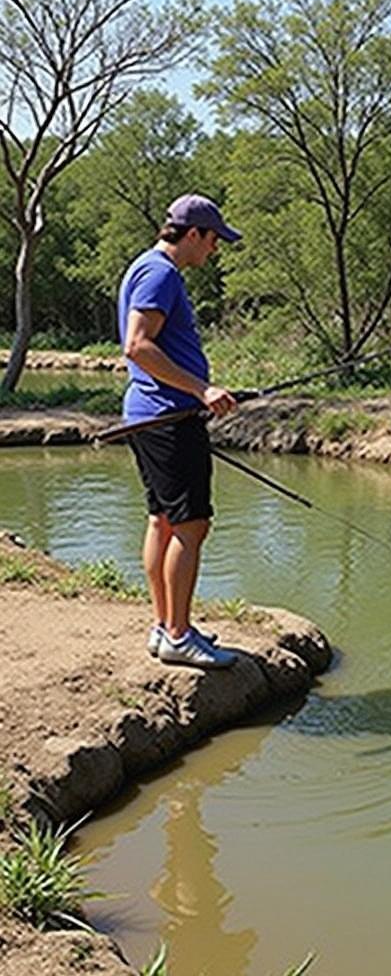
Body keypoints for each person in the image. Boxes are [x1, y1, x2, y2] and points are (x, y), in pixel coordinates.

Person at [118, 194, 241, 669]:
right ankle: (177, 634)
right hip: (167, 417)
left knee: (163, 522)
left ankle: (165, 625)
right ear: (194, 234)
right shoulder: (161, 273)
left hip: (153, 415)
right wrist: (202, 389)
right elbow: (138, 346)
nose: (214, 251)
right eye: (214, 241)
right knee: (192, 526)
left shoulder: (145, 267)